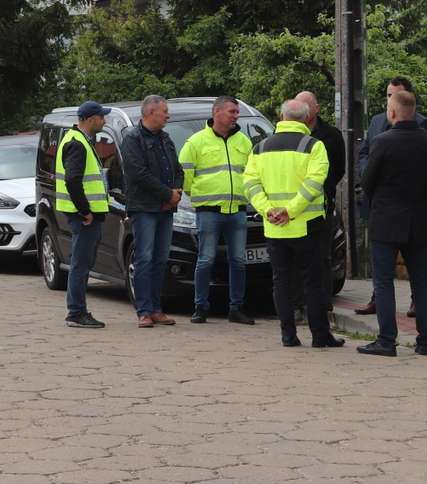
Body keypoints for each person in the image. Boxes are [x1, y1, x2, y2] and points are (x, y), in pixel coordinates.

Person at [243, 99, 344, 348]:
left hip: (274, 226)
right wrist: (291, 211)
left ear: (281, 116)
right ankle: (320, 335)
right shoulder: (314, 146)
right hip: (307, 225)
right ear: (307, 117)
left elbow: (250, 184)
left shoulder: (260, 147)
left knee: (281, 281)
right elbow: (314, 183)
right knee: (313, 281)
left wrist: (269, 211)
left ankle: (288, 335)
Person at [354, 77, 427, 316]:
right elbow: (365, 152)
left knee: (417, 271)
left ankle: (413, 305)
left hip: (406, 208)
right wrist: (367, 171)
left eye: (395, 95)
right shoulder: (378, 121)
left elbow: (424, 168)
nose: (391, 100)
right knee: (382, 270)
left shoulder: (421, 125)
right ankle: (377, 300)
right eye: (388, 95)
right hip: (380, 203)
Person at [179, 96, 256, 325]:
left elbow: (252, 174)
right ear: (217, 112)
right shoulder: (196, 142)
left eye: (237, 112)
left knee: (239, 261)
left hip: (238, 211)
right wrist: (200, 200)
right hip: (209, 211)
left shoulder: (244, 142)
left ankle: (237, 308)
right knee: (205, 260)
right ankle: (201, 307)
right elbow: (185, 179)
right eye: (232, 111)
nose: (236, 116)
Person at [121, 95, 183, 328]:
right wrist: (167, 195)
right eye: (165, 111)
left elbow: (177, 169)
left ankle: (156, 308)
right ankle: (144, 311)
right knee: (144, 259)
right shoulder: (133, 139)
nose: (168, 115)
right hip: (144, 208)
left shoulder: (165, 139)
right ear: (150, 113)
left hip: (166, 209)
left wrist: (176, 193)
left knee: (160, 260)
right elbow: (138, 174)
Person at [57, 101, 112, 329]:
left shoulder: (80, 141)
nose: (104, 121)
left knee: (83, 262)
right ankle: (77, 313)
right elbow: (72, 180)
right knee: (80, 264)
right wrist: (85, 211)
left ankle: (77, 311)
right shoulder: (77, 143)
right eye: (102, 117)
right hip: (83, 215)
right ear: (90, 120)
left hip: (86, 214)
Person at [292, 91, 345, 317]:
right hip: (293, 207)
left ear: (316, 108)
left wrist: (322, 191)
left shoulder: (331, 136)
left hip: (322, 207)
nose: (302, 111)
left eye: (306, 106)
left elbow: (338, 170)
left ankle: (324, 306)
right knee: (295, 258)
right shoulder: (287, 136)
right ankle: (296, 305)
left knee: (323, 257)